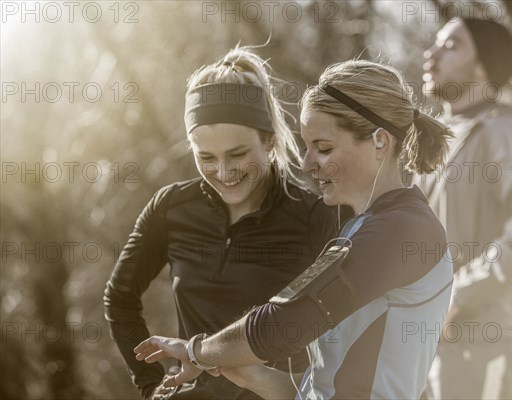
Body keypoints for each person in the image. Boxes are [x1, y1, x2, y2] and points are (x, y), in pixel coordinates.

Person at [133, 59, 455, 400]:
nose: (306, 163)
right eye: (307, 146)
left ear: (380, 141)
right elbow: (318, 387)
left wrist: (199, 351)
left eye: (324, 148)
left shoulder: (402, 231)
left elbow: (281, 324)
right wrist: (240, 369)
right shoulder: (362, 227)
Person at [103, 45, 344, 400]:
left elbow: (349, 332)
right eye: (206, 158)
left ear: (270, 141)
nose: (224, 171)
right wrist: (150, 383)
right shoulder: (171, 208)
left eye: (238, 154)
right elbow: (120, 298)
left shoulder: (316, 217)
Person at [419, 17, 512, 399]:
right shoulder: (434, 142)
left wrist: (459, 295)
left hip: (475, 343)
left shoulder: (501, 131)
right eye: (435, 44)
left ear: (482, 66)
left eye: (451, 46)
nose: (430, 56)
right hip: (417, 343)